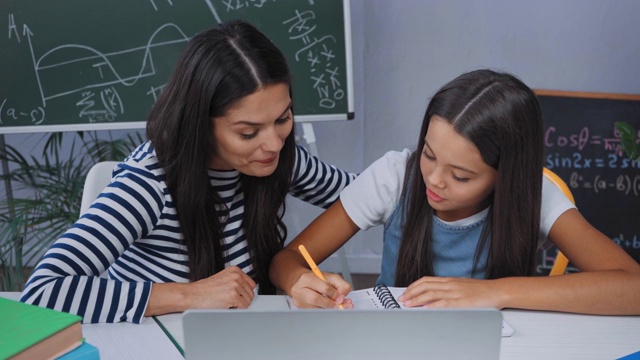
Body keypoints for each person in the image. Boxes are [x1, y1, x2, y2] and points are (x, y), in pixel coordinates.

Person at [20, 20, 356, 324]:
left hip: (241, 335)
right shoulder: (150, 182)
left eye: (283, 119)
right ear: (201, 125)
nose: (273, 144)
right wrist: (190, 295)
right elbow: (42, 292)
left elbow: (367, 194)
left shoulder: (278, 156)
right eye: (248, 132)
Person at [270, 69, 640, 315]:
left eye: (461, 176)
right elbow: (287, 259)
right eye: (428, 155)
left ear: (505, 177)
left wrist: (495, 293)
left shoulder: (534, 194)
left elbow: (632, 286)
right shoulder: (395, 176)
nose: (434, 180)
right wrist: (298, 282)